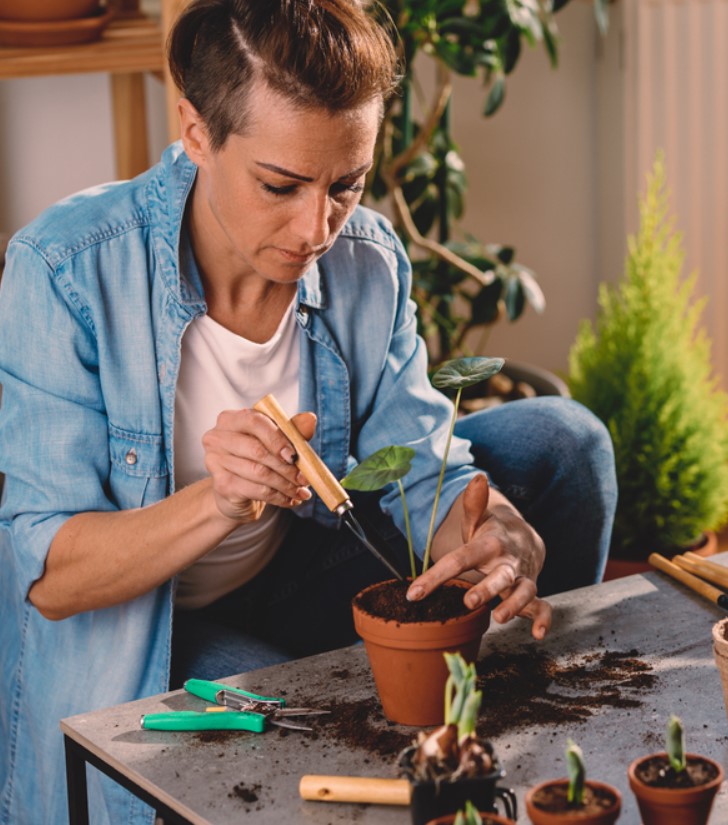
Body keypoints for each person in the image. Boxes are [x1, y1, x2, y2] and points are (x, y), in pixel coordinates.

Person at [0, 1, 617, 822]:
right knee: (305, 739)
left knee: (566, 442)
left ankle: (495, 745)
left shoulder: (367, 257)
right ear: (196, 132)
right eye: (280, 185)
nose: (316, 227)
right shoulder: (65, 268)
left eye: (346, 184)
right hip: (155, 627)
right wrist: (218, 500)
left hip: (297, 563)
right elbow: (49, 579)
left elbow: (419, 463)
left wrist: (494, 538)